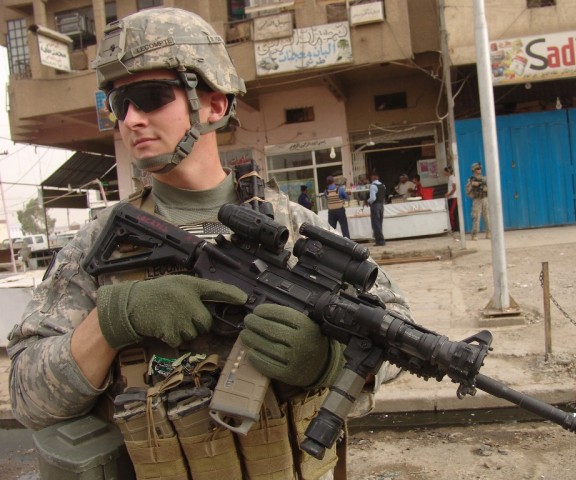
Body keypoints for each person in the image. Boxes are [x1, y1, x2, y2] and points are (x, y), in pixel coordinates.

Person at [6, 8, 413, 480]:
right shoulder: (103, 240)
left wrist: (330, 362)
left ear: (214, 105)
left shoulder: (294, 227)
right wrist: (116, 318)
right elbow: (28, 396)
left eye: (152, 97)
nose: (132, 119)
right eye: (119, 104)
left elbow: (399, 336)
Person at [465, 162, 490, 240]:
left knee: (487, 216)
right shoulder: (471, 179)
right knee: (476, 217)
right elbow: (468, 190)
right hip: (477, 200)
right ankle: (474, 234)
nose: (479, 170)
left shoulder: (484, 178)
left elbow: (489, 187)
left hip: (485, 198)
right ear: (474, 170)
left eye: (480, 168)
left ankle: (488, 233)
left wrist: (484, 188)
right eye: (477, 169)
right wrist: (473, 186)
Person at [367, 171, 386, 246]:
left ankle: (380, 241)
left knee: (376, 223)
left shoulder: (373, 186)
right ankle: (380, 240)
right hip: (381, 205)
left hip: (375, 205)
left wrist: (368, 201)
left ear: (372, 177)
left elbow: (373, 198)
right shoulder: (383, 185)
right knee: (380, 222)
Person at [443, 166, 459, 232]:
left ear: (448, 171)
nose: (444, 173)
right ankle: (453, 227)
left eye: (445, 171)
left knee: (452, 213)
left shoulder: (453, 178)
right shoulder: (450, 178)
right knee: (451, 213)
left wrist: (448, 194)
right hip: (450, 197)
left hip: (453, 197)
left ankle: (455, 228)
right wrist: (448, 194)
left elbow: (454, 188)